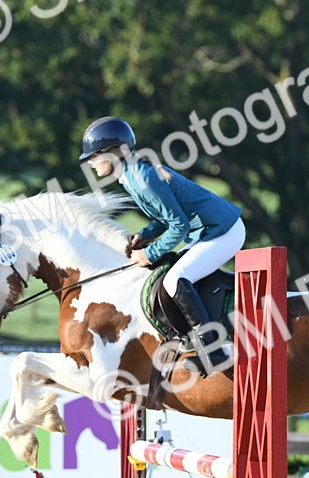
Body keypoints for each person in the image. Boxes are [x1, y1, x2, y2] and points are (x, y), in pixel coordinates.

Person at [80, 116, 244, 376]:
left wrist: (149, 253)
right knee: (169, 275)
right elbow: (163, 217)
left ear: (112, 153)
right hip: (206, 231)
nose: (90, 163)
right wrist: (143, 236)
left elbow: (178, 225)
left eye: (94, 156)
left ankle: (212, 352)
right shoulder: (132, 175)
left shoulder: (142, 178)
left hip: (224, 231)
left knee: (175, 280)